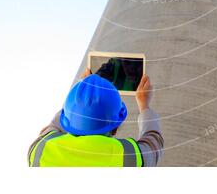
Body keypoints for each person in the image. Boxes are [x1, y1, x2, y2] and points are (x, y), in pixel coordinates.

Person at [28, 68, 163, 167]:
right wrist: (144, 104)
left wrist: (79, 93)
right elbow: (153, 143)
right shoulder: (127, 156)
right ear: (115, 128)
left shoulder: (40, 150)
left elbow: (53, 127)